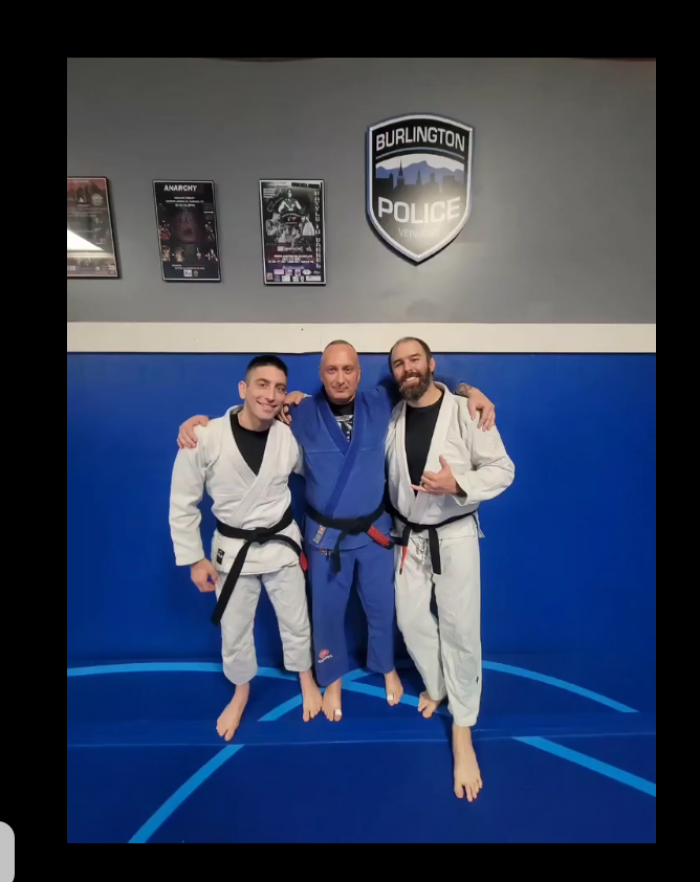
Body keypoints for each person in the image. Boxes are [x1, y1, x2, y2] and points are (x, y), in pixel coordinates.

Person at [177, 343, 496, 723]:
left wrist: (468, 390)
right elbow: (248, 424)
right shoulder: (299, 412)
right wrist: (200, 425)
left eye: (348, 370)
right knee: (326, 611)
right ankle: (331, 677)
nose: (340, 378)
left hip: (375, 531)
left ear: (359, 373)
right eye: (331, 370)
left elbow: (422, 381)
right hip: (324, 536)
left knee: (382, 605)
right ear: (321, 374)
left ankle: (387, 667)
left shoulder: (381, 401)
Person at [385, 337, 515, 802]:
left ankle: (463, 730)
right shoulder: (394, 415)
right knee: (409, 620)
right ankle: (439, 687)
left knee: (461, 631)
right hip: (408, 536)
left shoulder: (466, 411)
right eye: (398, 364)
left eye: (414, 360)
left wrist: (457, 482)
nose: (407, 368)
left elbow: (502, 469)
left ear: (431, 364)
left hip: (455, 535)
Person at [169, 355, 323, 743]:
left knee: (296, 619)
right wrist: (194, 559)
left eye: (279, 388)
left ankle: (306, 675)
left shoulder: (287, 436)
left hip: (281, 545)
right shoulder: (205, 437)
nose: (270, 395)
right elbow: (183, 501)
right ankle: (241, 691)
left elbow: (323, 461)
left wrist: (306, 408)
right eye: (262, 384)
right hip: (233, 551)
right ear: (243, 388)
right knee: (234, 629)